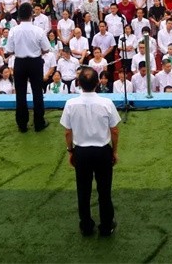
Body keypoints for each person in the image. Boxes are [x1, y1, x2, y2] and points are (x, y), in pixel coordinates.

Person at [61, 66, 121, 238]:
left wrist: (70, 151)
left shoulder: (70, 104)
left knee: (83, 190)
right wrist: (114, 151)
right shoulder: (106, 103)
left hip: (81, 152)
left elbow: (67, 131)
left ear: (78, 83)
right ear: (97, 83)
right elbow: (114, 130)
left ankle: (86, 226)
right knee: (104, 191)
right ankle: (106, 226)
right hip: (102, 151)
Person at [7, 2, 52, 133]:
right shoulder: (38, 30)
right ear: (31, 15)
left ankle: (22, 124)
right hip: (35, 62)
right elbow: (46, 49)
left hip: (20, 62)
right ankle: (39, 122)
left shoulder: (14, 31)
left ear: (19, 16)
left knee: (20, 94)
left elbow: (9, 50)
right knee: (37, 92)